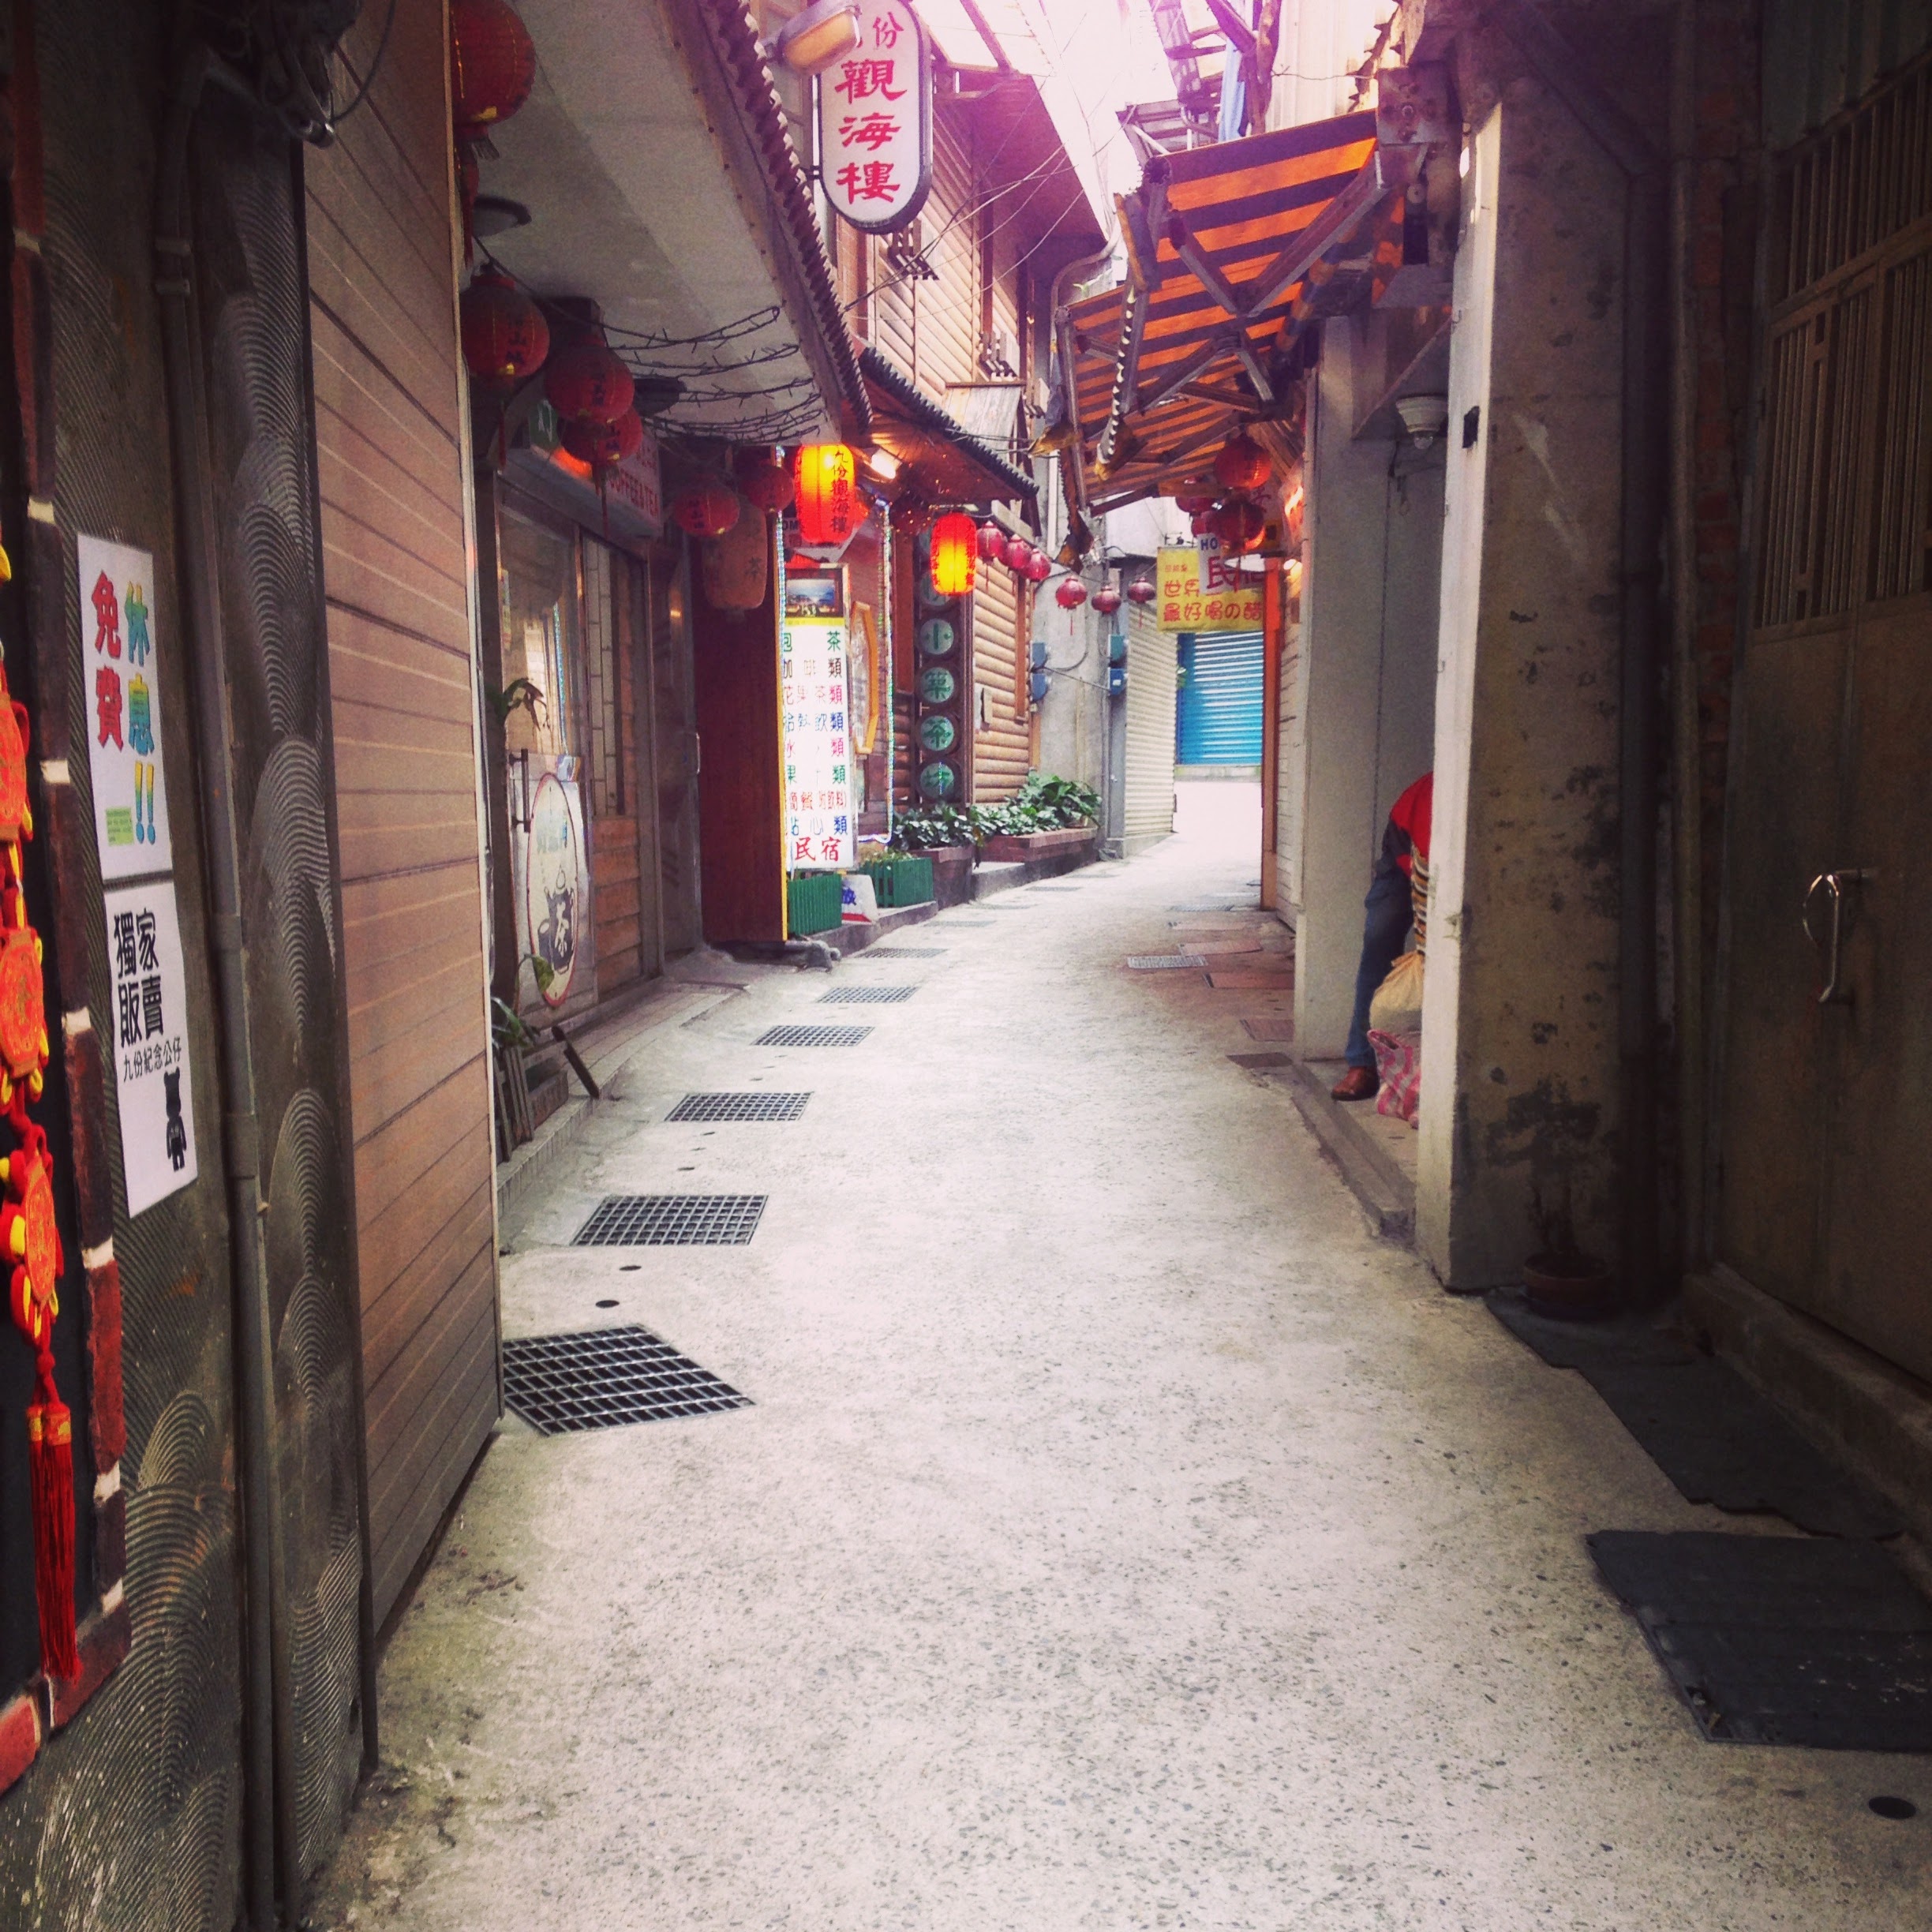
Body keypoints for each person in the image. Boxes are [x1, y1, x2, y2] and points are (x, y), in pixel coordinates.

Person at [1331, 771, 1432, 1101]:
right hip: (1406, 842)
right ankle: (1362, 1063)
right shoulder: (1431, 810)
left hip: (1434, 850)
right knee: (1380, 940)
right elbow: (1426, 890)